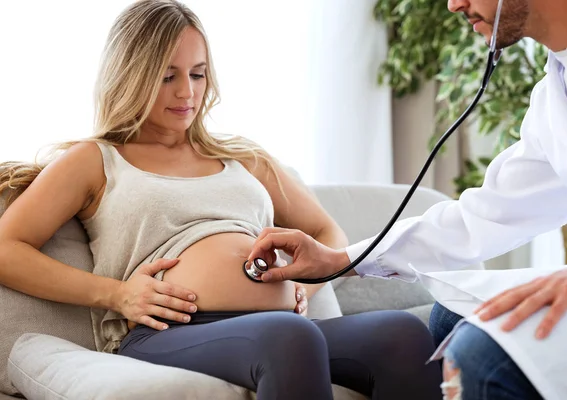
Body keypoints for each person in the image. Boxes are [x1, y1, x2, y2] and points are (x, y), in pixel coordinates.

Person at [0, 1, 443, 399]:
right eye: (167, 76)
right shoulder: (96, 160)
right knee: (290, 337)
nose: (187, 93)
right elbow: (6, 248)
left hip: (283, 327)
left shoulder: (243, 158)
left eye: (197, 73)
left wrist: (304, 287)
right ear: (131, 75)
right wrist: (116, 294)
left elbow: (328, 232)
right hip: (168, 332)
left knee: (402, 333)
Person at [247, 0, 567, 399]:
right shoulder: (560, 87)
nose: (453, 4)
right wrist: (341, 260)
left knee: (480, 357)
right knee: (452, 314)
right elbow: (486, 216)